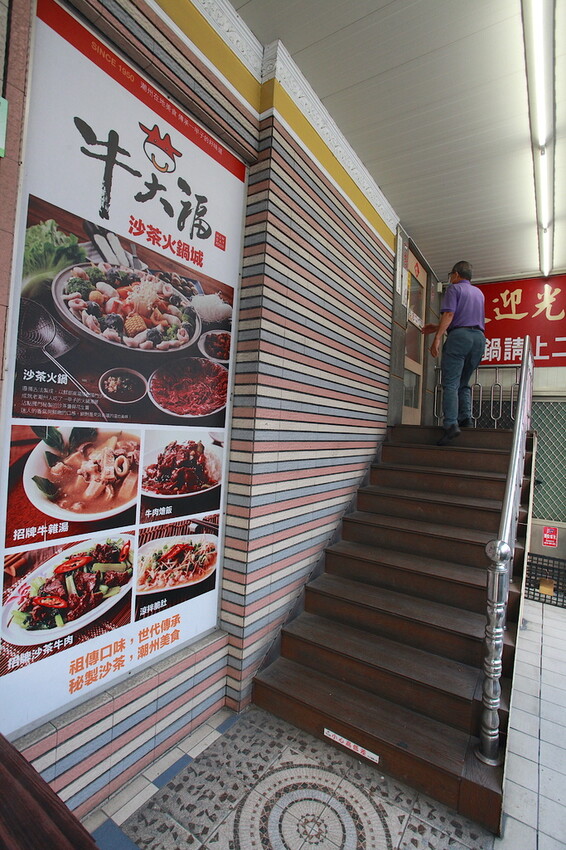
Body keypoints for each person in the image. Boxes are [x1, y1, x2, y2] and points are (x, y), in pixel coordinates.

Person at [422, 260, 485, 446]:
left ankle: (450, 425)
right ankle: (465, 418)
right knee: (463, 382)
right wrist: (436, 327)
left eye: (451, 275)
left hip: (459, 339)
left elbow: (449, 315)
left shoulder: (454, 289)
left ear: (456, 274)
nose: (450, 278)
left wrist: (437, 338)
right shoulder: (478, 293)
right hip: (479, 339)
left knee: (450, 383)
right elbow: (465, 318)